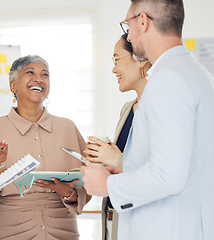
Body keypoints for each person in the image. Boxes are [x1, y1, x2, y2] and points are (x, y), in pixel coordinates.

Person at [81, 0, 214, 239]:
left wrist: (106, 185)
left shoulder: (169, 80)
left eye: (128, 25)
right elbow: (181, 162)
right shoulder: (196, 74)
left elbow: (167, 176)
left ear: (143, 21)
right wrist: (129, 167)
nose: (129, 36)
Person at [0, 55, 91, 240]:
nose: (39, 79)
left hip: (62, 226)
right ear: (13, 86)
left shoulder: (67, 127)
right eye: (30, 72)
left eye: (45, 74)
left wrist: (69, 194)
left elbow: (89, 182)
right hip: (10, 228)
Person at [85, 33, 150, 240]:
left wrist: (116, 159)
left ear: (141, 61)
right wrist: (103, 161)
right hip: (116, 218)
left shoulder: (159, 109)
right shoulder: (127, 109)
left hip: (143, 222)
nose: (114, 69)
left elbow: (160, 170)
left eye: (117, 60)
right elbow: (126, 163)